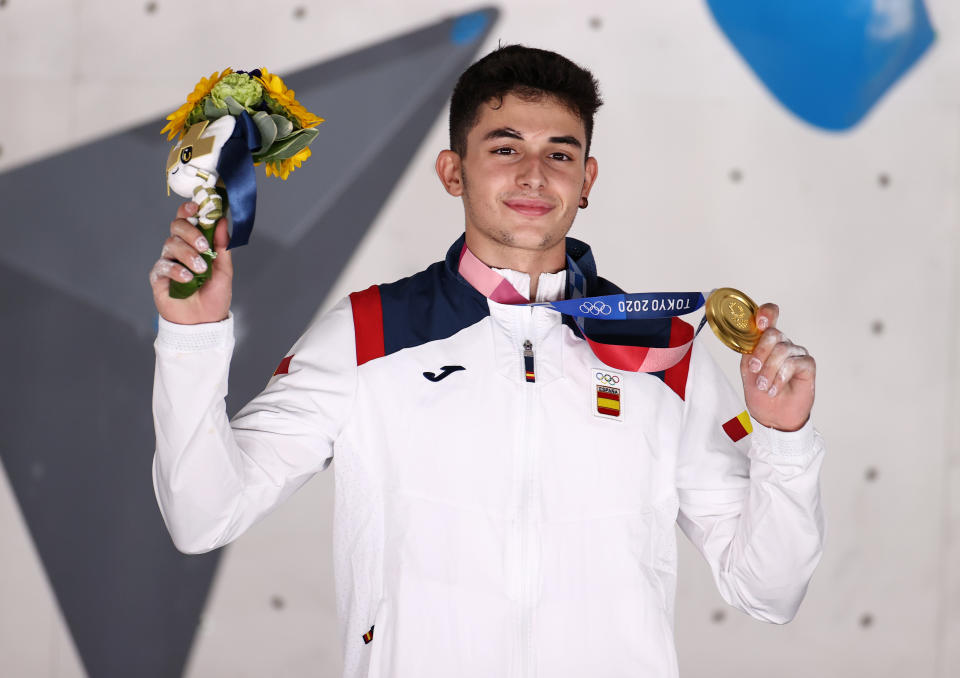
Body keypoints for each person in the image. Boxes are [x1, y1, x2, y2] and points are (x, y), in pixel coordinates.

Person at [149, 45, 824, 678]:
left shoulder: (660, 349)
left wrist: (783, 440)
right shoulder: (368, 334)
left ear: (586, 180)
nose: (534, 174)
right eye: (505, 148)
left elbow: (770, 589)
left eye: (560, 155)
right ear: (453, 171)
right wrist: (193, 339)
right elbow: (204, 515)